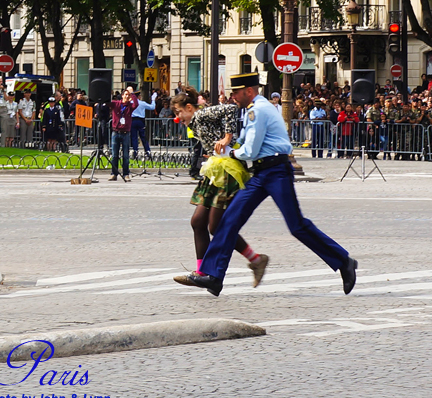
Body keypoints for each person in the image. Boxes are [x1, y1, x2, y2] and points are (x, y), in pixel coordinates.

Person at [174, 72, 357, 297]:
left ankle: (343, 261)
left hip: (276, 171)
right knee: (229, 221)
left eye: (236, 93)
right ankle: (213, 276)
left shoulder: (258, 111)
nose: (233, 97)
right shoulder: (253, 109)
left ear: (249, 91)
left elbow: (249, 150)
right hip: (260, 172)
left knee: (296, 225)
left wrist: (228, 151)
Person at [169, 87, 269, 288]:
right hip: (215, 169)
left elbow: (230, 110)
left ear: (189, 107)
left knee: (215, 226)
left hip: (227, 171)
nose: (178, 118)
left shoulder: (203, 113)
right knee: (198, 222)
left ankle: (256, 260)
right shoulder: (195, 122)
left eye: (179, 112)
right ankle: (201, 270)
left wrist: (227, 137)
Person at [108, 89, 138, 182]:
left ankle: (126, 174)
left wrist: (132, 94)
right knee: (114, 155)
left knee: (125, 155)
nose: (127, 96)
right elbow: (107, 103)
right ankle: (114, 173)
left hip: (125, 133)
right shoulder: (116, 104)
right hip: (116, 132)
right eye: (126, 94)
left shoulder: (130, 106)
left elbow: (136, 104)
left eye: (128, 95)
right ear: (122, 96)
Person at [131, 90, 157, 159]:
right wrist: (153, 100)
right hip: (140, 121)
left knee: (134, 137)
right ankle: (147, 151)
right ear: (139, 96)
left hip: (132, 120)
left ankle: (135, 152)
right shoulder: (142, 103)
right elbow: (152, 107)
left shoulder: (130, 103)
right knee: (143, 137)